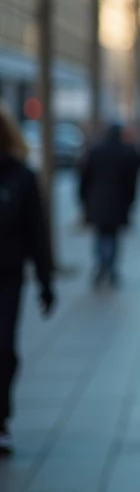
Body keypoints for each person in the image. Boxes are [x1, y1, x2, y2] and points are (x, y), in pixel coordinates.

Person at [0, 107, 54, 457]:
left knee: (3, 349)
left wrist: (46, 281)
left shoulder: (20, 176)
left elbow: (37, 232)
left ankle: (1, 418)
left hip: (7, 276)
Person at [78, 123, 140, 288]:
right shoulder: (125, 152)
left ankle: (101, 265)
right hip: (118, 202)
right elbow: (131, 181)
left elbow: (84, 177)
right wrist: (131, 200)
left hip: (97, 201)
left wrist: (83, 198)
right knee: (113, 236)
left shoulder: (96, 151)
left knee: (100, 235)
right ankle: (110, 267)